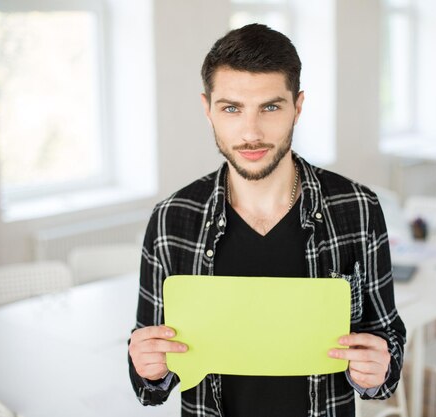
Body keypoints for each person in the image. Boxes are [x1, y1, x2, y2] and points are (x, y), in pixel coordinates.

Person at [128, 23, 406, 416]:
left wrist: (378, 370)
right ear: (208, 109)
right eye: (231, 108)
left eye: (271, 107)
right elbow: (152, 379)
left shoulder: (357, 208)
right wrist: (147, 368)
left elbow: (387, 335)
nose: (251, 132)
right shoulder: (172, 219)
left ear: (299, 106)